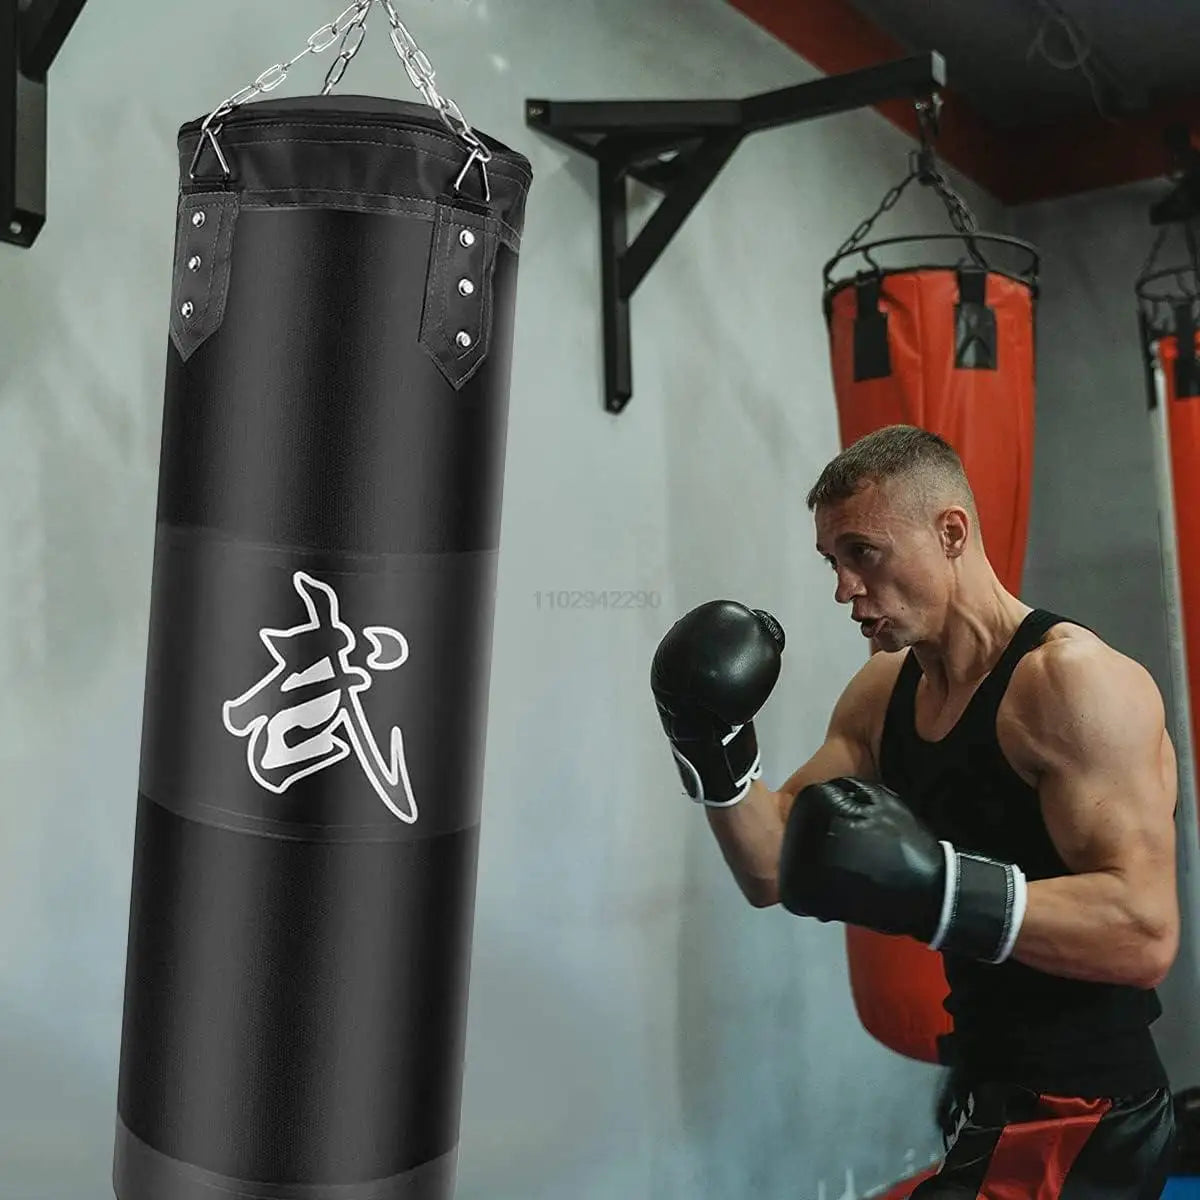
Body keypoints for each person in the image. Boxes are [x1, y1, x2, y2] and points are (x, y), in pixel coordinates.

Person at [650, 424, 1180, 1197]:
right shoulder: (884, 691)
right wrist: (710, 746)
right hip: (986, 1088)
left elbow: (1143, 933)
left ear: (951, 532)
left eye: (863, 553)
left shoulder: (1070, 684)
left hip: (1081, 1112)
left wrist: (938, 888)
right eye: (833, 562)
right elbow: (770, 866)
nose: (843, 589)